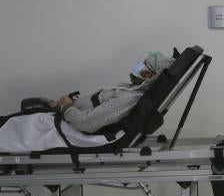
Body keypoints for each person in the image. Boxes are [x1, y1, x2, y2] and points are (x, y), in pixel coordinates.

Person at [0, 51, 174, 152]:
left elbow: (85, 123)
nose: (137, 69)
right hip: (60, 120)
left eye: (143, 68)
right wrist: (66, 104)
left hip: (60, 130)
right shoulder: (129, 91)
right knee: (27, 110)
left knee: (10, 124)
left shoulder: (128, 99)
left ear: (150, 77)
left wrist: (66, 105)